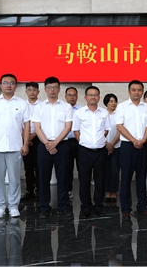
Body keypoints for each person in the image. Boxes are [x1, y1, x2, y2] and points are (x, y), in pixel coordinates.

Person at [0, 73, 31, 219]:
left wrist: (25, 144)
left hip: (15, 147)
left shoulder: (22, 103)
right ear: (0, 85)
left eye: (11, 83)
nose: (8, 85)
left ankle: (14, 206)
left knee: (15, 178)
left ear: (16, 85)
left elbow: (27, 125)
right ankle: (0, 206)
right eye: (5, 82)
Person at [31, 77, 73, 219]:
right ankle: (44, 207)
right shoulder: (39, 107)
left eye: (55, 87)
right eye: (49, 87)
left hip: (62, 145)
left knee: (63, 177)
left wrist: (55, 143)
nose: (52, 90)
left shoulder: (66, 107)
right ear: (45, 89)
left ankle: (64, 206)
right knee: (43, 178)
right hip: (44, 146)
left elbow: (68, 127)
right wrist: (48, 144)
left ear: (59, 89)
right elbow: (37, 128)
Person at [117, 80, 147, 221]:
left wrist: (144, 140)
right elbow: (120, 126)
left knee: (141, 177)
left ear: (142, 91)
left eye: (139, 90)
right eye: (134, 90)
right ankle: (126, 209)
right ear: (129, 91)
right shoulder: (122, 107)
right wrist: (134, 140)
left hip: (143, 146)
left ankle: (142, 206)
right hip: (127, 146)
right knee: (126, 178)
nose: (137, 92)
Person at [73, 85, 110, 219]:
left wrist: (98, 142)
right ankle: (86, 207)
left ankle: (99, 206)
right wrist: (84, 142)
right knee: (84, 181)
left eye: (95, 95)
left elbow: (106, 130)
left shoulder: (104, 113)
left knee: (100, 180)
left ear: (99, 97)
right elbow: (76, 130)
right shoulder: (79, 113)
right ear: (85, 97)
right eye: (90, 95)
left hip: (100, 151)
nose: (93, 97)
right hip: (84, 152)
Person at [21, 82, 41, 202]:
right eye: (29, 90)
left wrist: (32, 136)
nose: (32, 92)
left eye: (34, 90)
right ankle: (29, 190)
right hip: (24, 139)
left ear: (38, 91)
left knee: (39, 166)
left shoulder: (43, 105)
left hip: (39, 138)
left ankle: (39, 190)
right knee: (28, 166)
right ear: (26, 92)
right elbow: (19, 122)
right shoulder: (22, 105)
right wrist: (26, 138)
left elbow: (44, 124)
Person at [103, 94, 120, 202]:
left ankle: (113, 191)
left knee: (115, 170)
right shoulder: (102, 114)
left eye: (115, 101)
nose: (113, 103)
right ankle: (107, 191)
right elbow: (99, 130)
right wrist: (107, 144)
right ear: (106, 103)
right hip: (103, 146)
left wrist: (112, 144)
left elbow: (120, 130)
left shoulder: (119, 115)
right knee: (105, 170)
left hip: (117, 146)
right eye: (111, 101)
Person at [63, 87, 80, 199]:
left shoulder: (82, 110)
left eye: (74, 95)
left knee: (81, 167)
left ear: (77, 97)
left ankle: (84, 190)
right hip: (65, 142)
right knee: (67, 168)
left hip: (79, 142)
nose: (72, 97)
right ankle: (68, 190)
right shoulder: (62, 109)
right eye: (69, 95)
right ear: (65, 97)